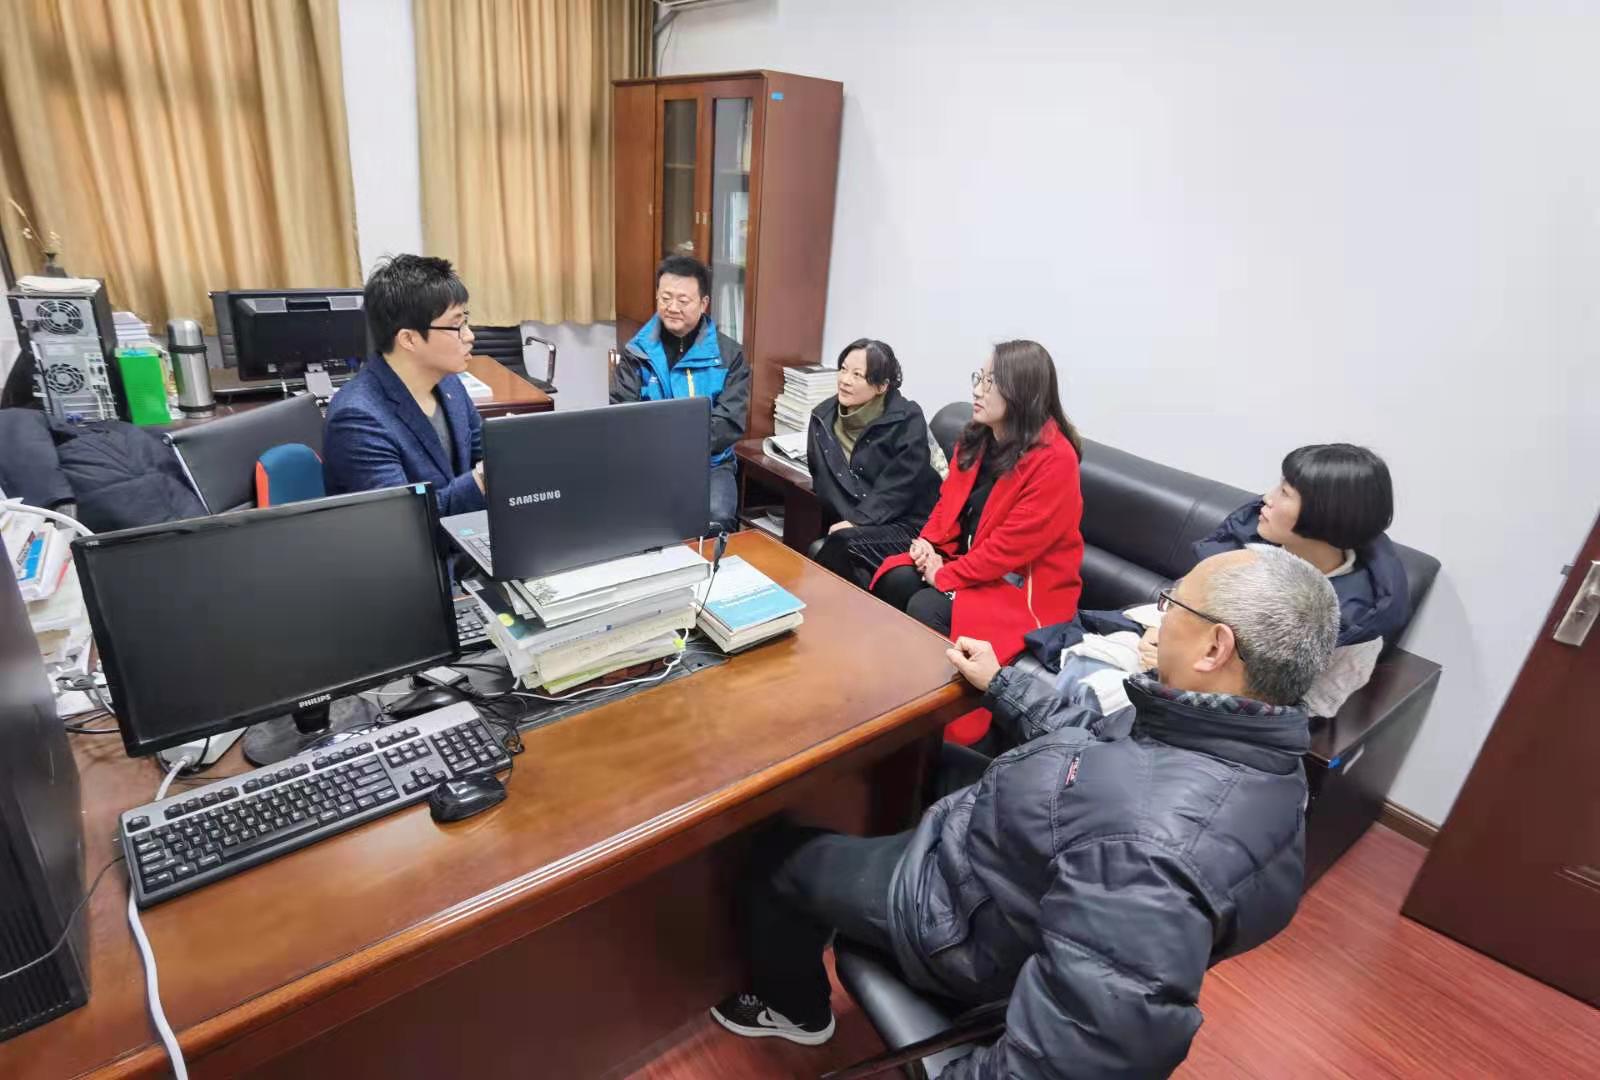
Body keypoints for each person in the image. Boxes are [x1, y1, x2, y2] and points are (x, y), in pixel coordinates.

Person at [710, 547, 1341, 1078]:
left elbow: (1076, 1055)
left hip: (959, 917)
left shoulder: (1149, 849)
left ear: (1214, 647)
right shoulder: (1255, 751)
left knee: (774, 857)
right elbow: (1093, 742)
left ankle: (794, 1009)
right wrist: (1003, 684)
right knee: (909, 762)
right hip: (1013, 864)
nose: (1160, 617)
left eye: (1174, 603)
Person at [1029, 443, 1409, 731]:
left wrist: (1181, 672)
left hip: (1215, 707)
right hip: (1166, 652)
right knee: (1075, 661)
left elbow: (1312, 706)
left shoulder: (1356, 618)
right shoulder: (1255, 542)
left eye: (1285, 493)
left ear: (1326, 515)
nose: (1266, 499)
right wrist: (1164, 632)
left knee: (1092, 702)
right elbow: (1187, 596)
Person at [869, 339, 1084, 742]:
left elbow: (1009, 549)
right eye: (978, 378)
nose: (977, 390)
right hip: (970, 564)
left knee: (927, 606)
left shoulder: (1056, 460)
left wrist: (943, 576)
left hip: (1022, 589)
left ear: (1020, 393)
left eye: (990, 382)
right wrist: (927, 543)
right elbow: (948, 504)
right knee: (895, 580)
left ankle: (927, 730)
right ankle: (886, 697)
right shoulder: (978, 437)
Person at [323, 254, 485, 516]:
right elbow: (406, 520)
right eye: (456, 325)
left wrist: (508, 447)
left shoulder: (449, 384)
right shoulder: (358, 419)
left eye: (465, 320)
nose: (469, 336)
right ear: (409, 339)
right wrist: (483, 480)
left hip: (465, 532)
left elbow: (482, 452)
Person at [610, 254, 751, 532]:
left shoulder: (729, 355)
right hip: (649, 463)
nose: (672, 307)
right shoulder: (637, 352)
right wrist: (660, 452)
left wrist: (680, 447)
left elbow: (729, 422)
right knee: (633, 521)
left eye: (683, 300)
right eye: (665, 298)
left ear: (704, 303)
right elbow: (623, 415)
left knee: (717, 518)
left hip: (710, 464)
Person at [805, 338, 941, 585]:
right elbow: (822, 480)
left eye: (857, 375)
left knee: (842, 542)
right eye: (843, 369)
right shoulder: (822, 418)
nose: (845, 380)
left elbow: (899, 488)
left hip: (904, 524)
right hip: (856, 522)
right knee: (837, 544)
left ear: (881, 386)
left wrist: (857, 522)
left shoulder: (907, 419)